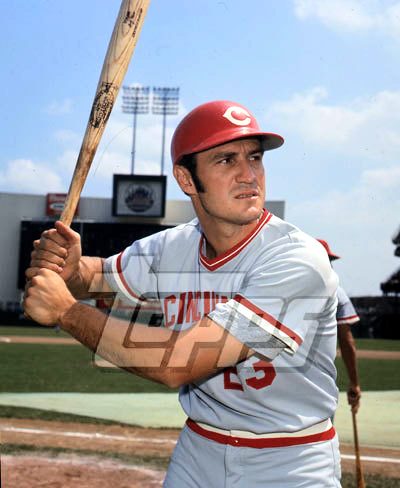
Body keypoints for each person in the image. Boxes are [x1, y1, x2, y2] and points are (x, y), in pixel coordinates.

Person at [24, 100, 342, 487]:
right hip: (199, 448)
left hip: (289, 459)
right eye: (226, 160)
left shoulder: (296, 259)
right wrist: (71, 268)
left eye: (255, 158)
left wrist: (67, 313)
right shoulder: (173, 247)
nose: (249, 175)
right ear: (186, 179)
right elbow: (96, 277)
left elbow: (178, 364)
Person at [317, 239, 362, 413]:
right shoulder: (337, 292)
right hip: (318, 380)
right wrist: (354, 383)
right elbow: (347, 342)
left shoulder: (282, 288)